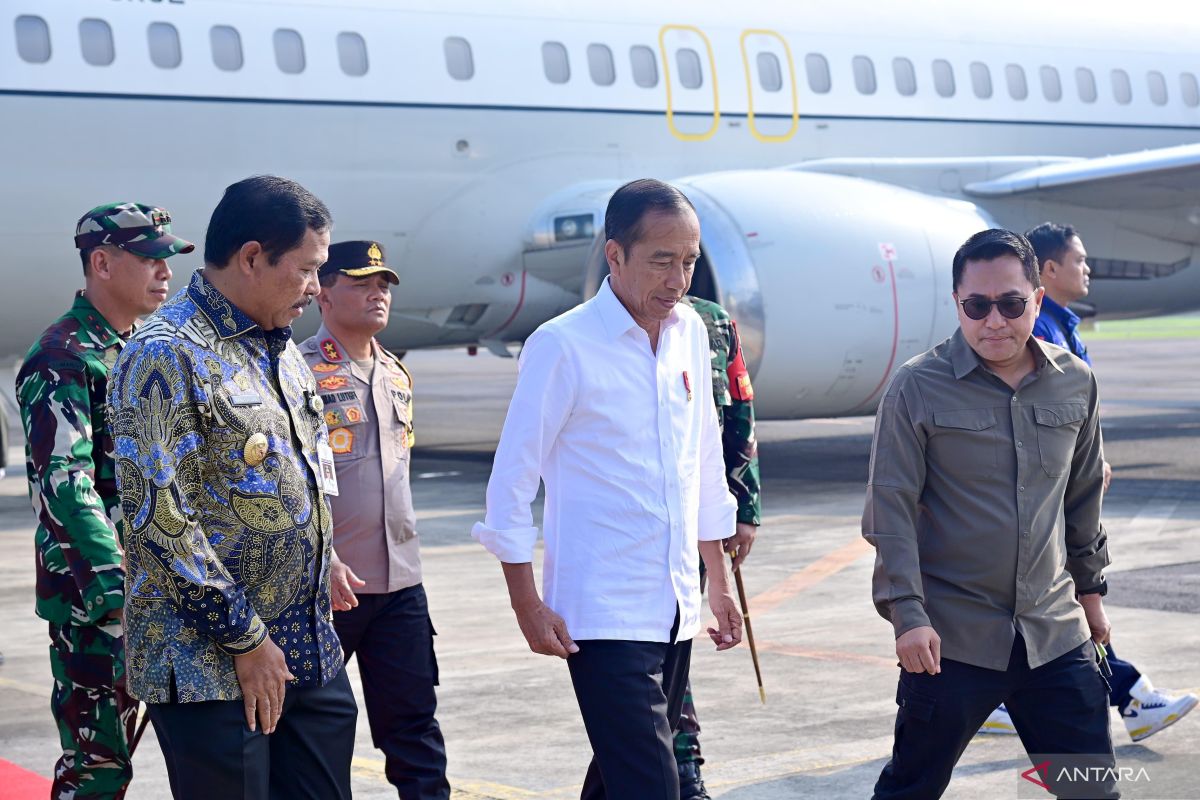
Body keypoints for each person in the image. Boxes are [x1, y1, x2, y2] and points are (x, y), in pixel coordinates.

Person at [473, 178, 743, 799]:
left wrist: (718, 580)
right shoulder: (562, 346)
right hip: (600, 612)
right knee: (653, 784)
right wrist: (526, 604)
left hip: (673, 604)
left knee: (622, 777)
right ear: (614, 254)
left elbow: (702, 460)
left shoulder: (690, 334)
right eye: (661, 261)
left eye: (689, 261)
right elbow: (512, 481)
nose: (678, 280)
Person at [108, 176, 357, 800]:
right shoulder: (166, 353)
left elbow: (297, 464)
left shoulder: (278, 345)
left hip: (306, 642)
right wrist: (245, 639)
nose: (315, 288)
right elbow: (158, 517)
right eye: (306, 270)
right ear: (251, 257)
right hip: (213, 664)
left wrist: (321, 556)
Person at [863, 228, 1118, 799]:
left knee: (1091, 791)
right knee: (911, 789)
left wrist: (1092, 598)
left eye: (1011, 304)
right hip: (950, 640)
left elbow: (1082, 502)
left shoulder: (1074, 383)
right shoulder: (916, 388)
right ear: (958, 304)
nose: (994, 321)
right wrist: (907, 613)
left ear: (1038, 297)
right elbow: (890, 510)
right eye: (976, 306)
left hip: (1053, 633)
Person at [979, 222, 1198, 742]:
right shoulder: (1040, 335)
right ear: (1048, 271)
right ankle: (1129, 695)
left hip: (1055, 495)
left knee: (1054, 604)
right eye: (1078, 260)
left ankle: (1003, 696)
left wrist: (1089, 461)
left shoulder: (1063, 325)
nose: (1088, 269)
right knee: (1071, 603)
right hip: (1041, 500)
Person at [16, 202, 193, 799]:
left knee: (203, 751)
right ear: (102, 262)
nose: (165, 271)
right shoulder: (63, 356)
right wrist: (116, 590)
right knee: (99, 768)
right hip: (100, 603)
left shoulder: (145, 346)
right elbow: (65, 481)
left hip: (168, 586)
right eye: (150, 258)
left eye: (168, 259)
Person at [299, 240, 451, 799]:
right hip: (326, 586)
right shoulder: (298, 372)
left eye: (383, 283)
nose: (377, 293)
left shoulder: (394, 373)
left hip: (401, 586)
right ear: (323, 292)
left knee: (413, 727)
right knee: (318, 733)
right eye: (361, 282)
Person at [672, 295, 761, 800]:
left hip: (700, 516)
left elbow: (739, 417)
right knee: (656, 649)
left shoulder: (711, 323)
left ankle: (680, 763)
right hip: (640, 523)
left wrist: (744, 509)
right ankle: (682, 764)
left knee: (676, 641)